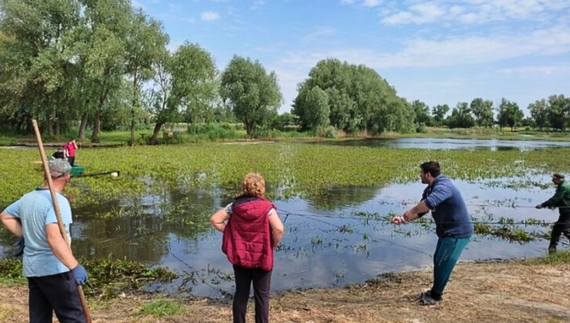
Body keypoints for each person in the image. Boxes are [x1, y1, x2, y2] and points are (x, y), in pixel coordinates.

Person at [0, 159, 89, 323]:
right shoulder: (58, 202)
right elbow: (54, 238)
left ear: (45, 175)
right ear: (67, 177)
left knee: (39, 318)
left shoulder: (27, 198)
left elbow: (5, 216)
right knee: (73, 318)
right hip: (55, 270)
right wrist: (74, 266)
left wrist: (25, 235)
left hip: (33, 270)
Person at [391, 161, 473, 306]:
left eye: (421, 173)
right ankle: (435, 291)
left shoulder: (444, 186)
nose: (419, 175)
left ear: (428, 175)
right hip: (446, 232)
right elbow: (424, 209)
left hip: (457, 233)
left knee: (443, 263)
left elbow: (429, 203)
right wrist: (403, 219)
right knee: (438, 259)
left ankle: (436, 295)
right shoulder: (430, 188)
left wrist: (411, 211)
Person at [210, 173, 285, 323]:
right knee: (262, 296)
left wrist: (231, 234)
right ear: (262, 188)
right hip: (262, 257)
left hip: (240, 256)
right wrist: (272, 244)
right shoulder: (267, 208)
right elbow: (279, 229)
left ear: (244, 187)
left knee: (241, 293)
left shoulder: (235, 206)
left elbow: (215, 220)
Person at [535, 173, 570, 254]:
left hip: (568, 211)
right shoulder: (564, 185)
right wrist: (554, 205)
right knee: (557, 229)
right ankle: (552, 250)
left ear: (559, 179)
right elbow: (563, 198)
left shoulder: (564, 186)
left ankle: (552, 249)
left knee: (566, 230)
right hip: (565, 210)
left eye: (554, 179)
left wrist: (543, 205)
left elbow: (557, 198)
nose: (552, 180)